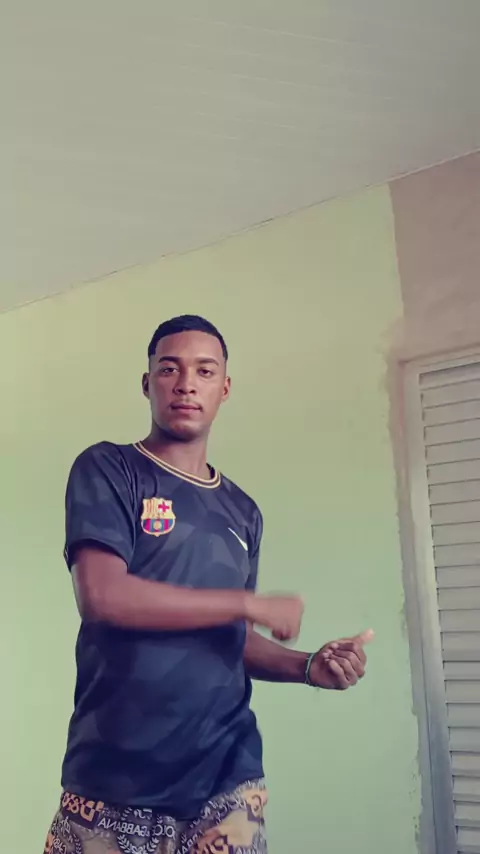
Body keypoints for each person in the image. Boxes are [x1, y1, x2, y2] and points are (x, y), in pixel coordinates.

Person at [44, 314, 373, 854]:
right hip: (113, 778)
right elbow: (102, 596)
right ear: (147, 383)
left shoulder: (243, 511)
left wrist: (309, 666)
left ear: (225, 388)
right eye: (169, 369)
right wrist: (244, 602)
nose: (186, 384)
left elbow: (232, 640)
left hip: (228, 778)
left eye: (204, 370)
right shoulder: (109, 468)